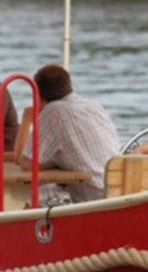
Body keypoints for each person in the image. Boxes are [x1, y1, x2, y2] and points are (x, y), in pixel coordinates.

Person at [14, 64, 120, 204]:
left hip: (93, 196)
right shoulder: (93, 105)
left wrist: (27, 118)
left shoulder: (54, 111)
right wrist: (59, 162)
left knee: (25, 196)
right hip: (116, 187)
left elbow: (25, 163)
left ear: (38, 93)